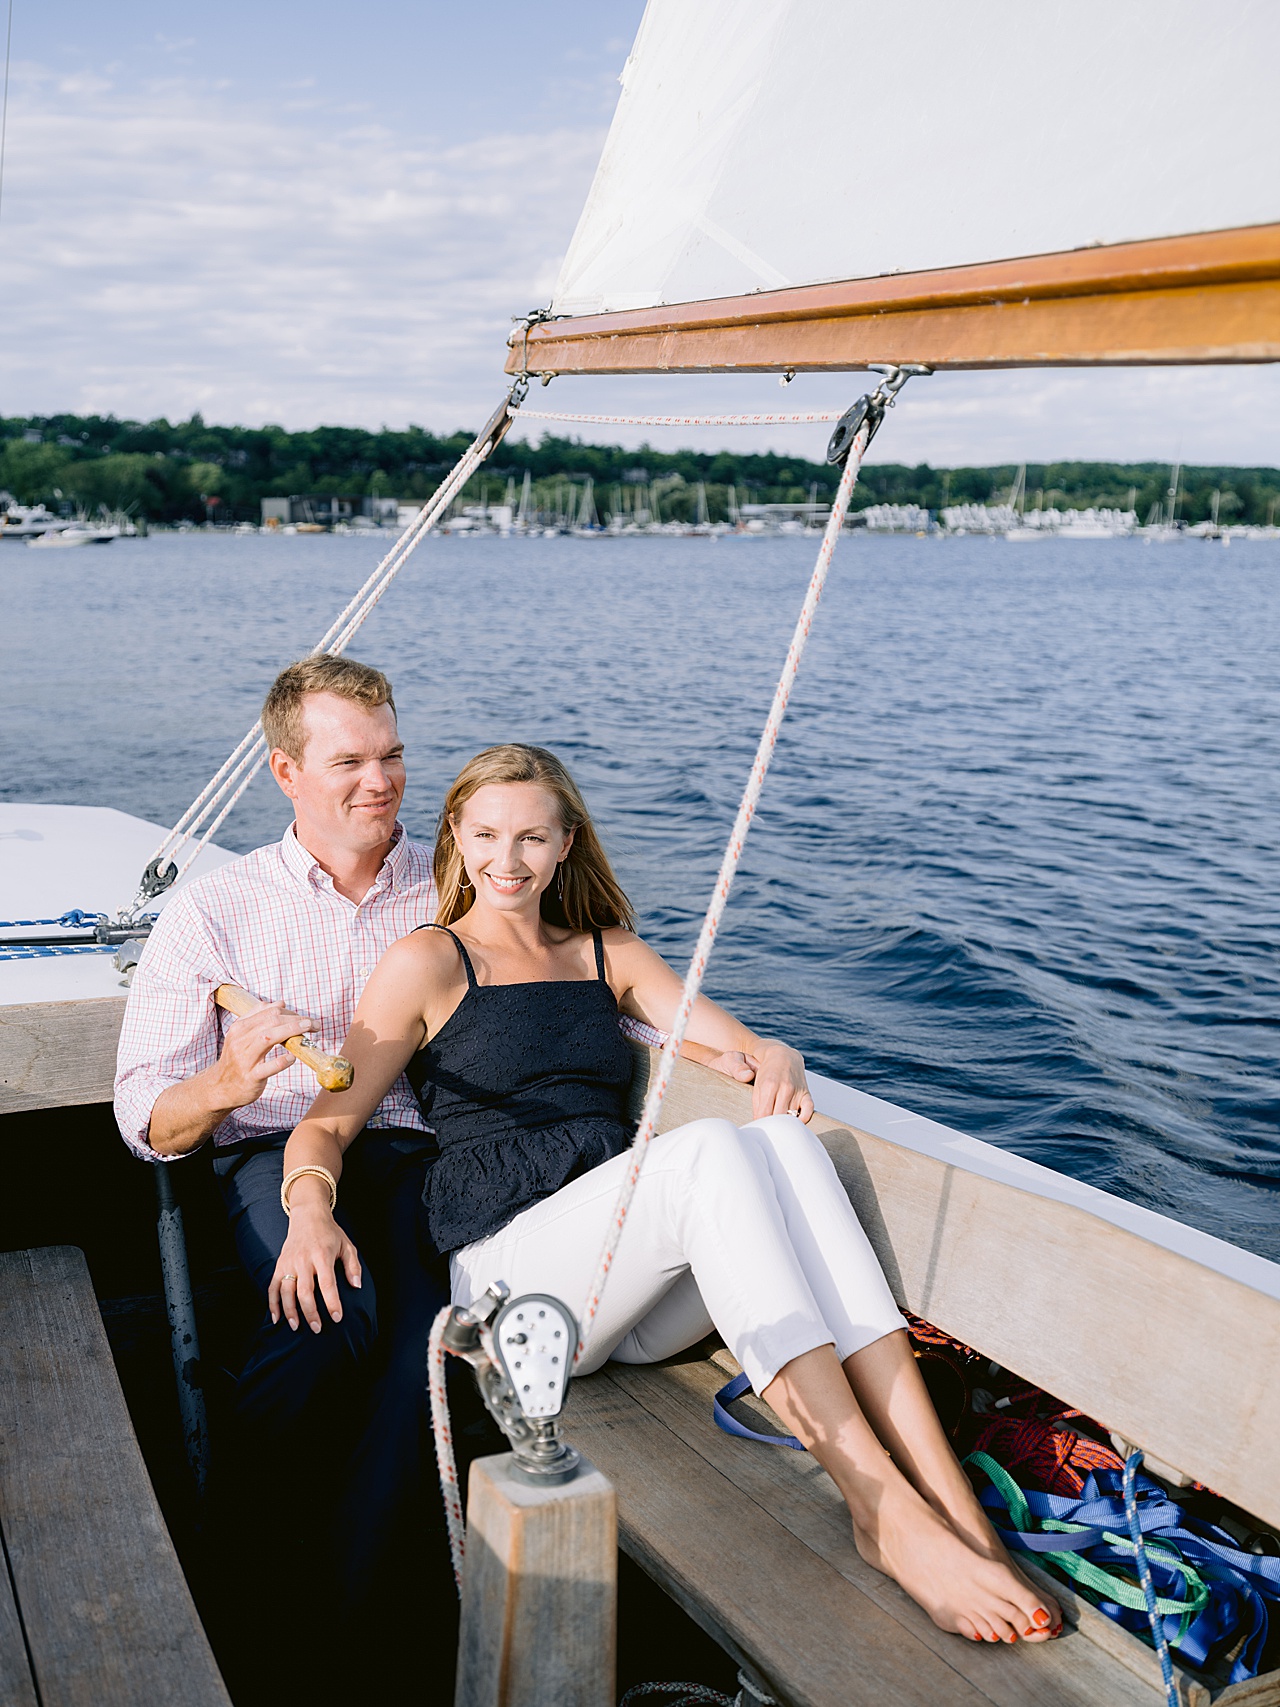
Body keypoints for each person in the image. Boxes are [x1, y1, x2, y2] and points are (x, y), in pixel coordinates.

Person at [273, 742, 1063, 1649]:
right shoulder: (431, 960)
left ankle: (953, 1507)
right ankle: (879, 1506)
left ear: (567, 843)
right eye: (487, 833)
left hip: (628, 1298)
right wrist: (309, 1212)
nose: (508, 859)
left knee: (776, 1140)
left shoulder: (605, 953)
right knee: (704, 1155)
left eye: (533, 836)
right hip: (516, 1298)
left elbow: (736, 1047)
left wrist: (776, 1053)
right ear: (456, 833)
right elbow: (327, 1124)